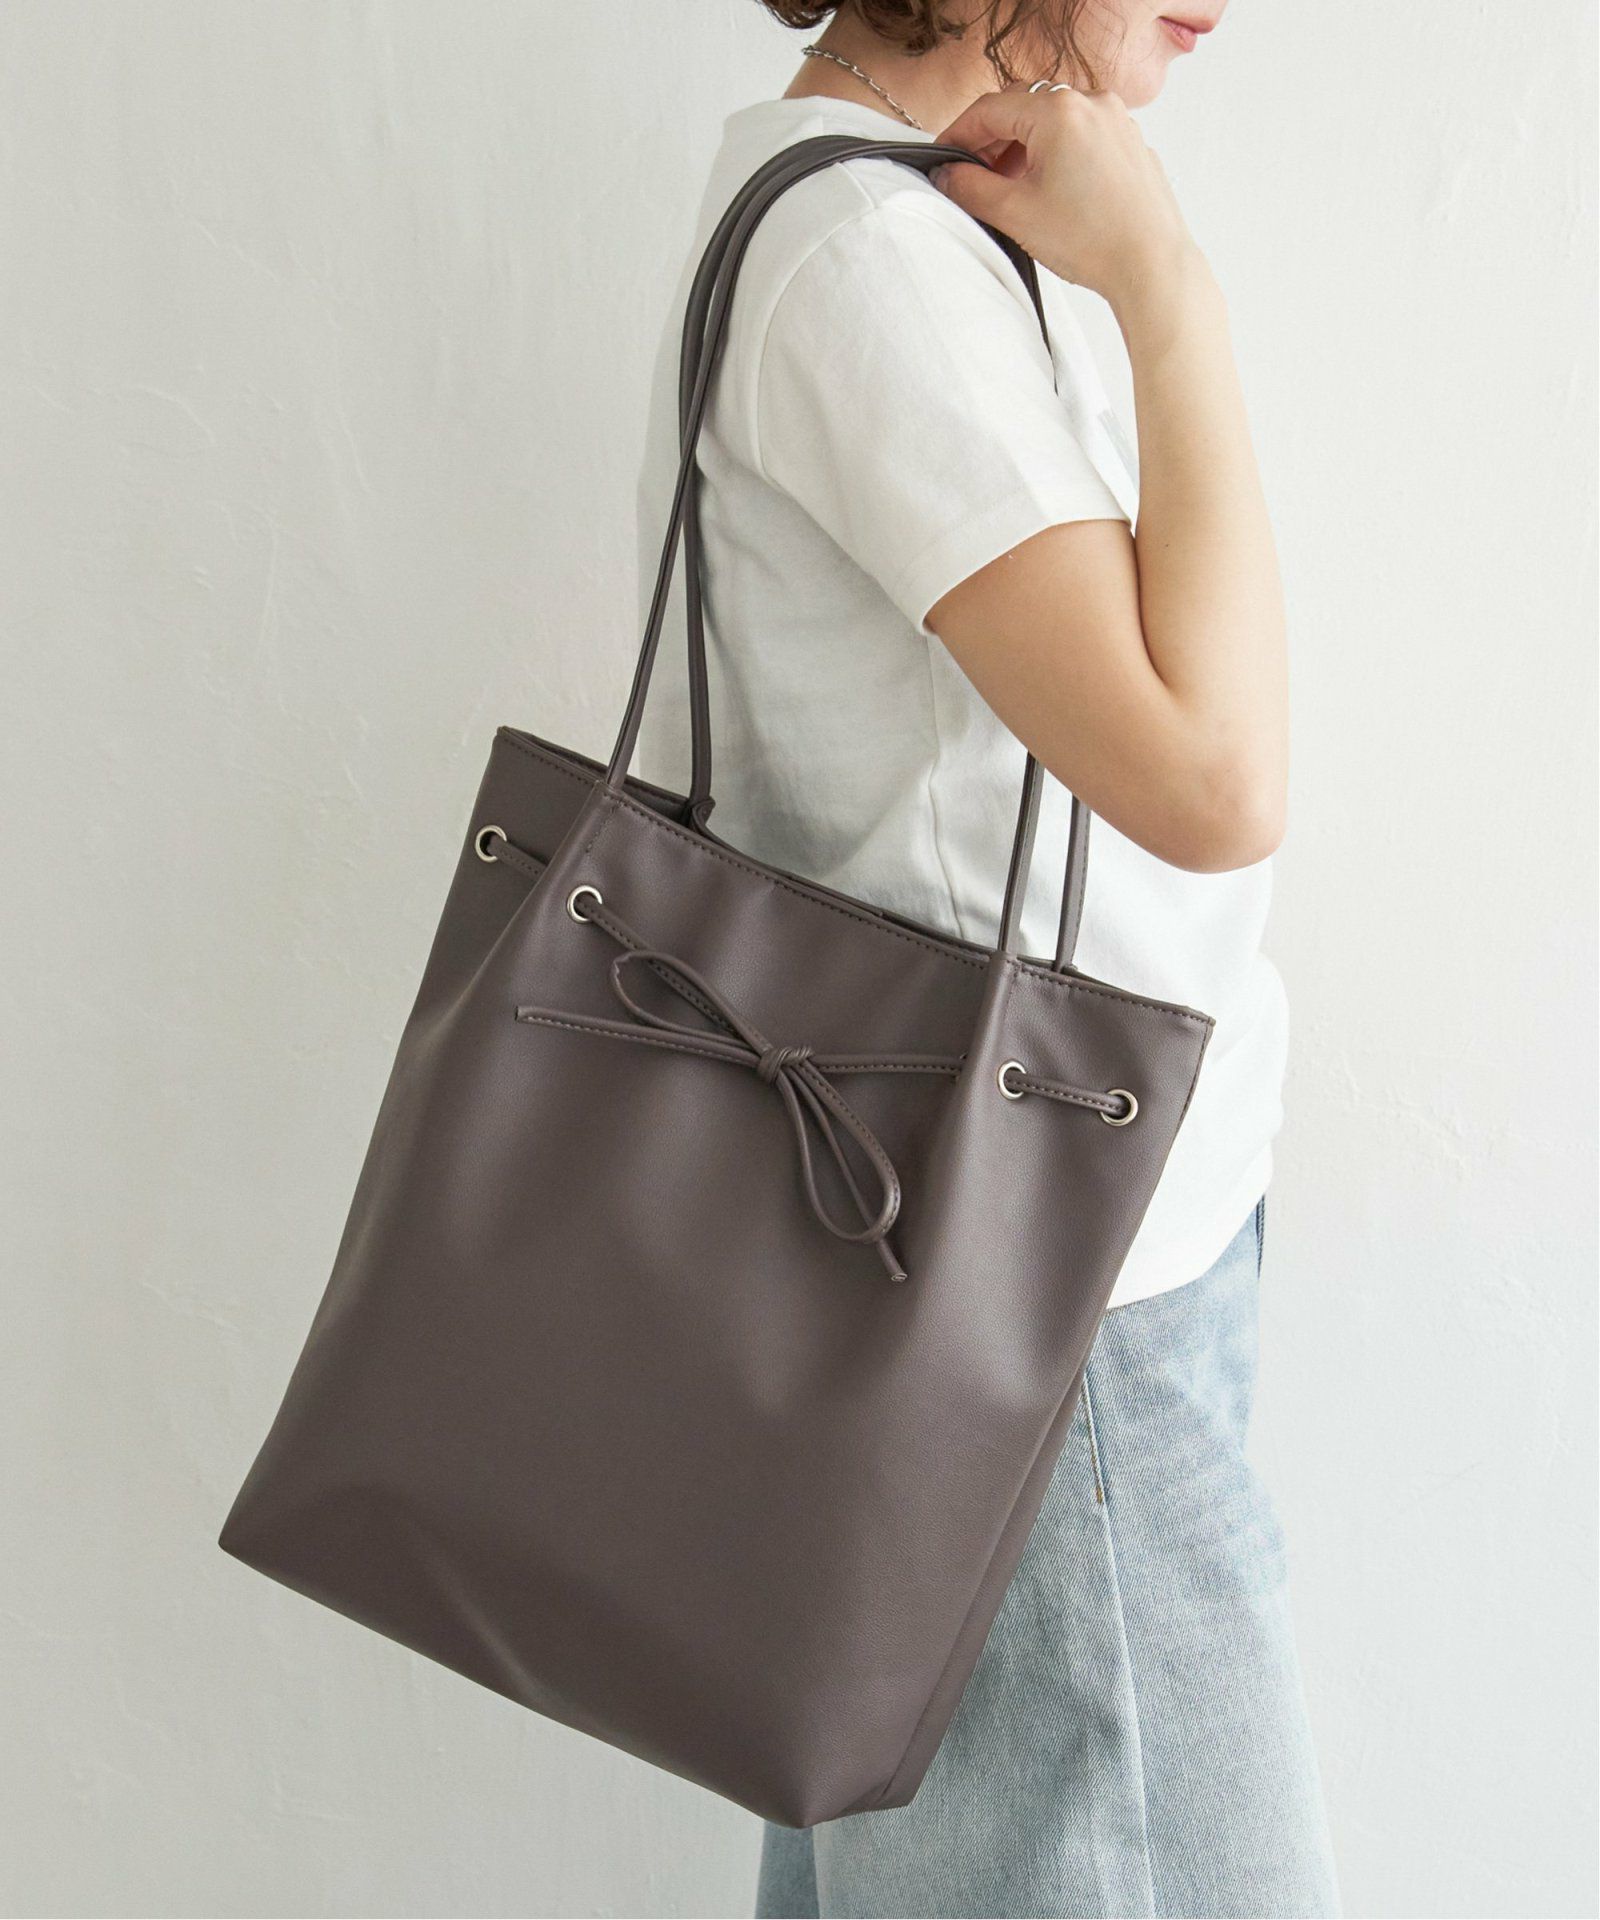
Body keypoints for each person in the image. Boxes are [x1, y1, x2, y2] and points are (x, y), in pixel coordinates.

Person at [634, 2, 1339, 1913]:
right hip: (1043, 1309)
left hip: (1011, 1254)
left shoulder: (909, 219)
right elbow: (1212, 777)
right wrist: (1168, 291)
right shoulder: (867, 262)